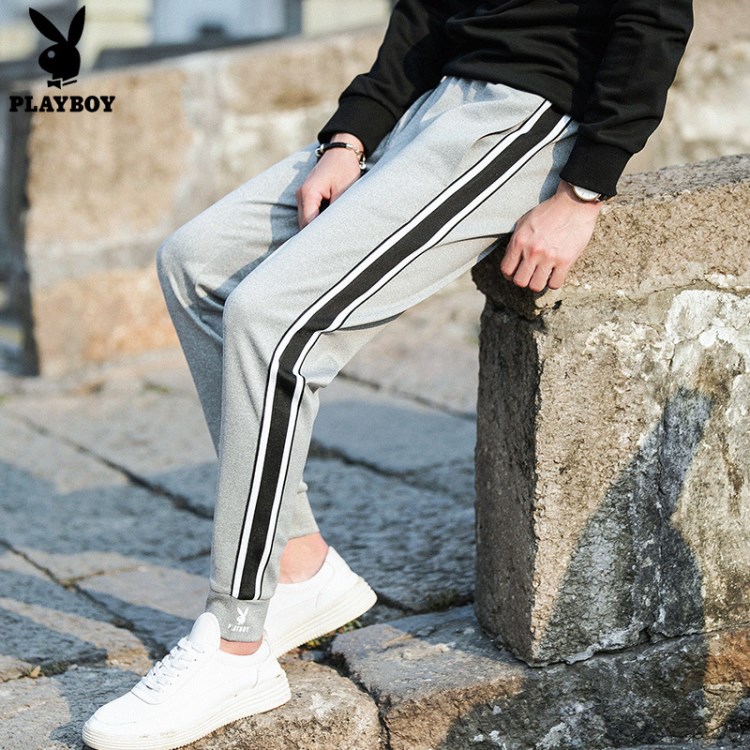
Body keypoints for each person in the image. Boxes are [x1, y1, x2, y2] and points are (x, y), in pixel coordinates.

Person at [82, 1, 693, 748]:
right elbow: (422, 14)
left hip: (523, 117)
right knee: (194, 262)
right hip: (427, 106)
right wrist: (351, 136)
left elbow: (654, 20)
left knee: (271, 320)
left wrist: (583, 189)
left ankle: (236, 642)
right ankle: (299, 564)